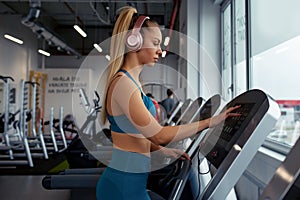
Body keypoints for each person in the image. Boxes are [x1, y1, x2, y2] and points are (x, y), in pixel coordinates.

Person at [96, 6, 240, 200]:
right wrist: (209, 122)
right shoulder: (123, 84)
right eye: (155, 43)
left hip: (131, 183)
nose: (160, 50)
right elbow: (158, 134)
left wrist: (163, 151)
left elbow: (133, 135)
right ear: (134, 40)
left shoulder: (132, 82)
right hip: (123, 188)